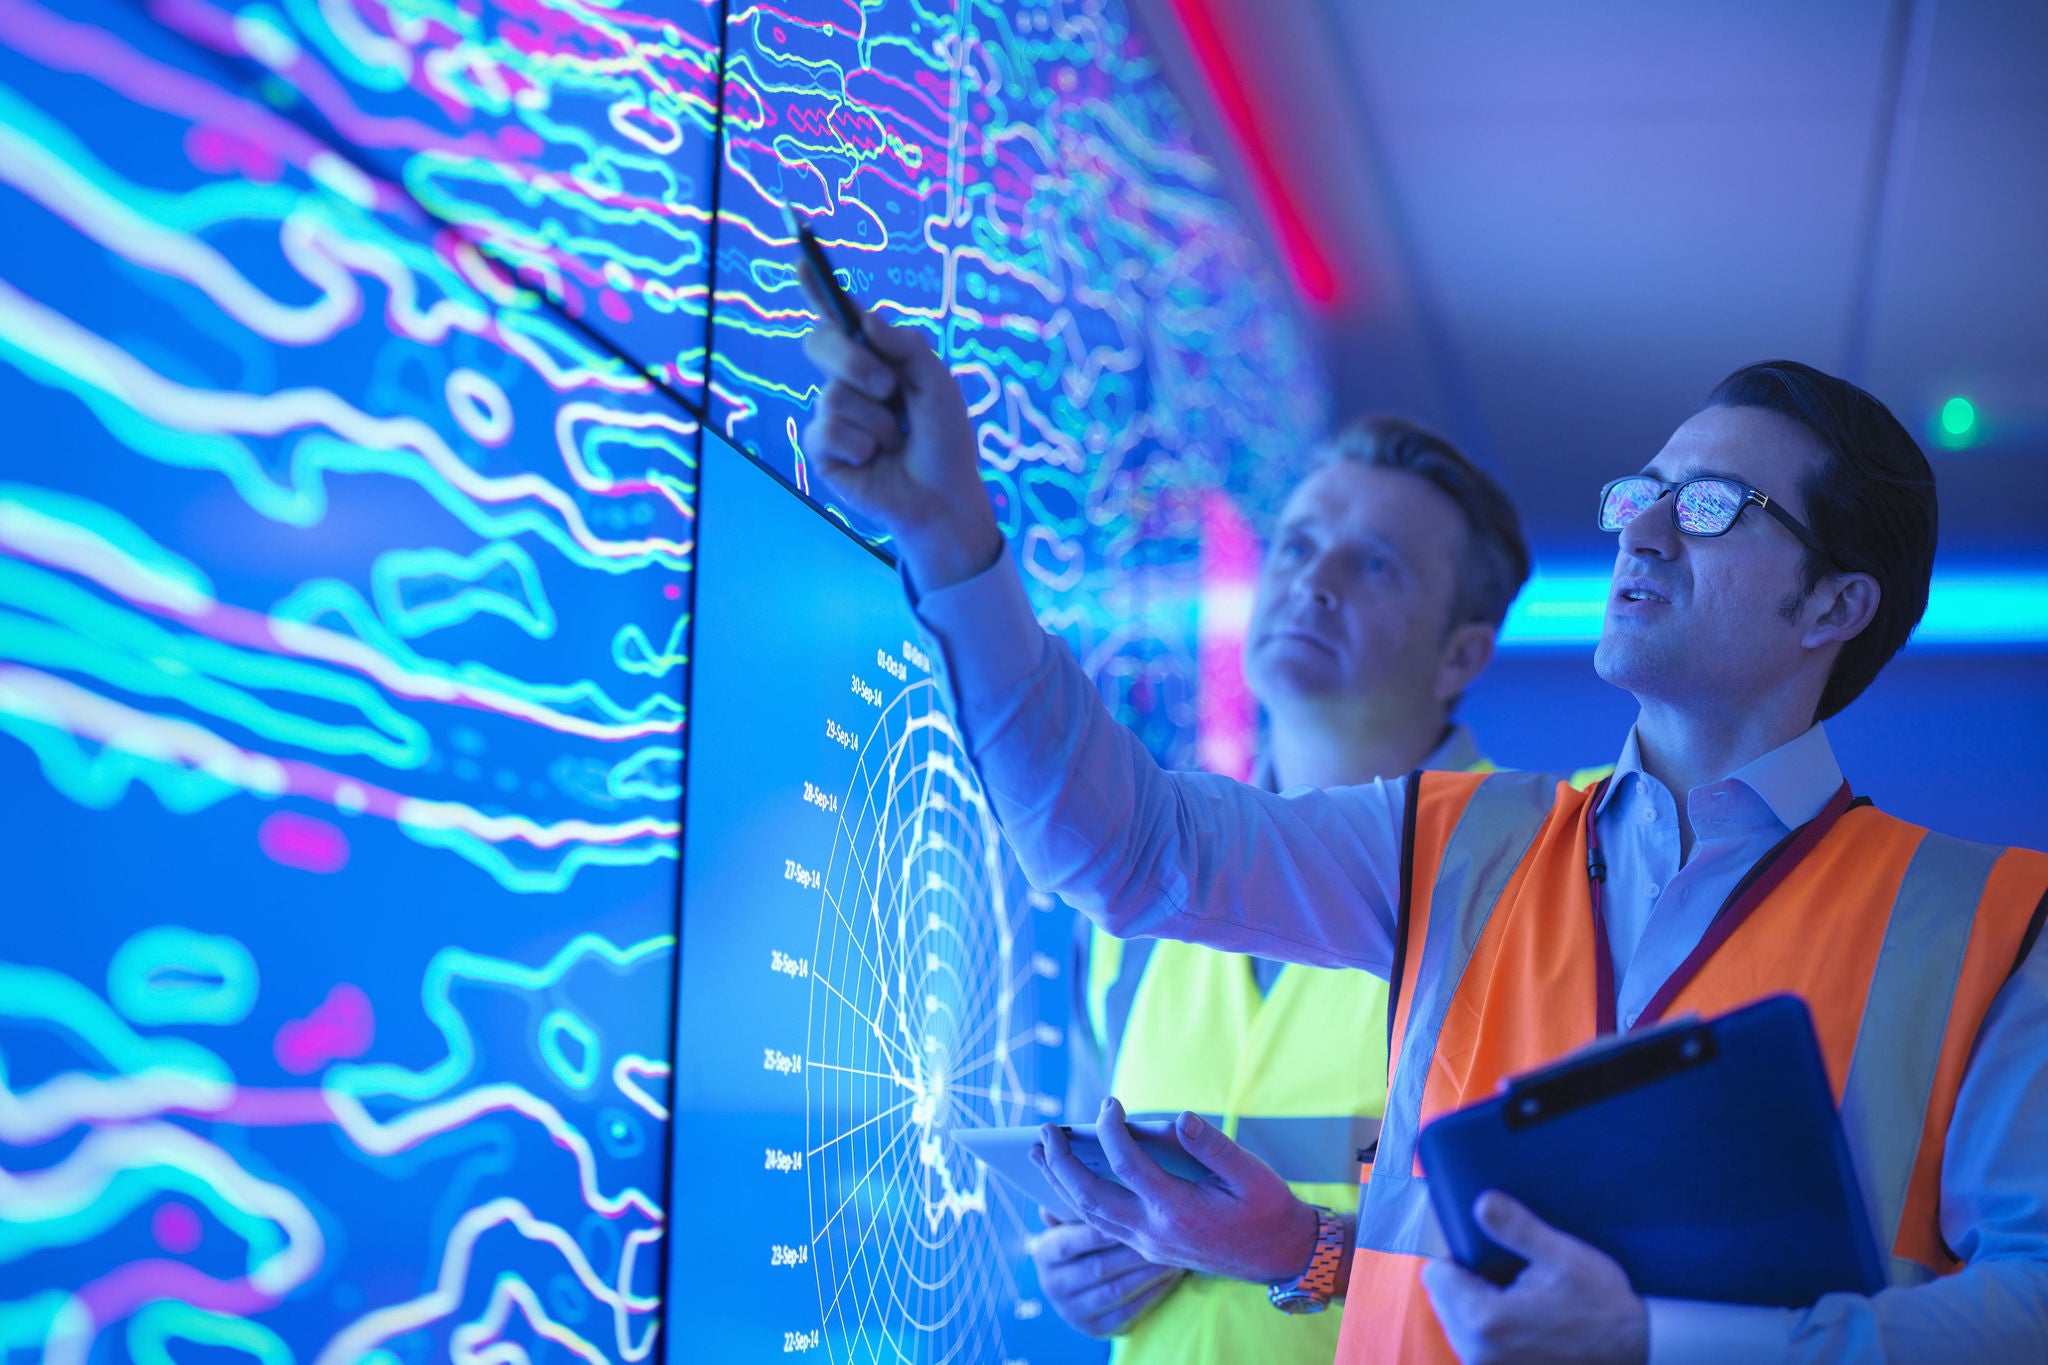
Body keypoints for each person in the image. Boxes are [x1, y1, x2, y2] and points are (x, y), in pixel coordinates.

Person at [799, 284, 2048, 1363]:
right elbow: (1132, 853)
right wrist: (950, 535)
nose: (1642, 530)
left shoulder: (1992, 928)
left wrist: (1663, 1346)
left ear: (1833, 605)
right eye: (1643, 492)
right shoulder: (1454, 843)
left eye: (1715, 507)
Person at [1042, 416, 1542, 1360]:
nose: (1314, 582)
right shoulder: (1135, 894)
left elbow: (1563, 1277)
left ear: (1461, 656)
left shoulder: (1529, 883)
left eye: (1376, 566)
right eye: (1301, 546)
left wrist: (1311, 1257)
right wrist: (1084, 1268)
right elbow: (1102, 1186)